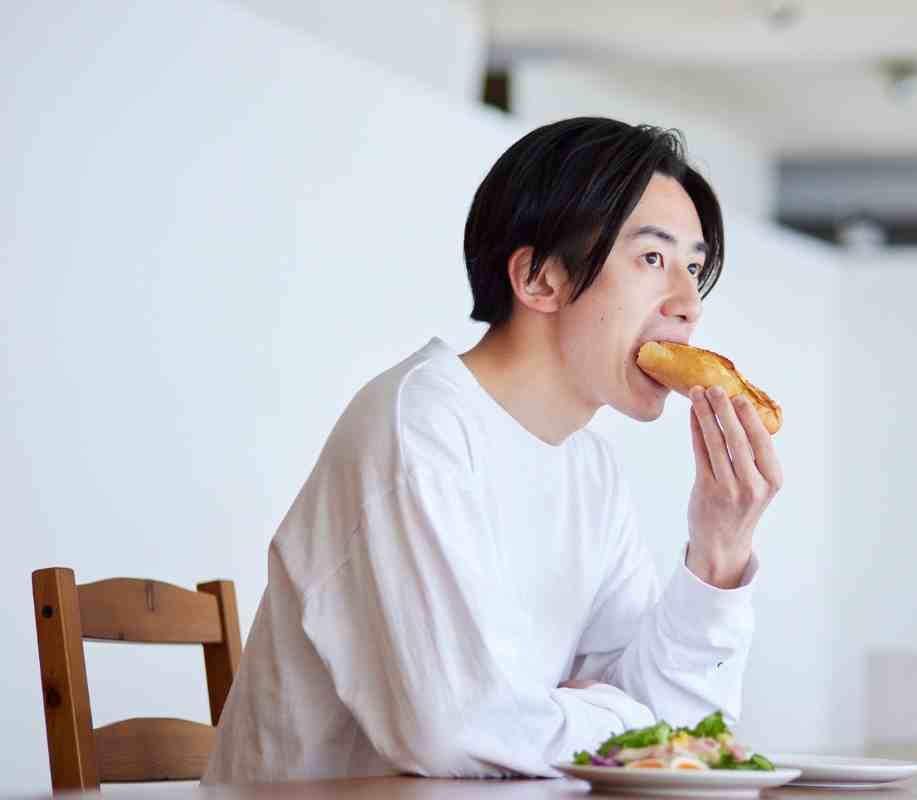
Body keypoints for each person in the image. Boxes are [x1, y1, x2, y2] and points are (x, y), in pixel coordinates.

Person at [202, 117, 783, 784]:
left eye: (694, 267)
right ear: (539, 280)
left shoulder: (588, 467)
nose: (687, 305)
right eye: (652, 259)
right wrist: (612, 718)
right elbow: (456, 733)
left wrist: (720, 550)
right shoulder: (420, 423)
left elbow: (679, 737)